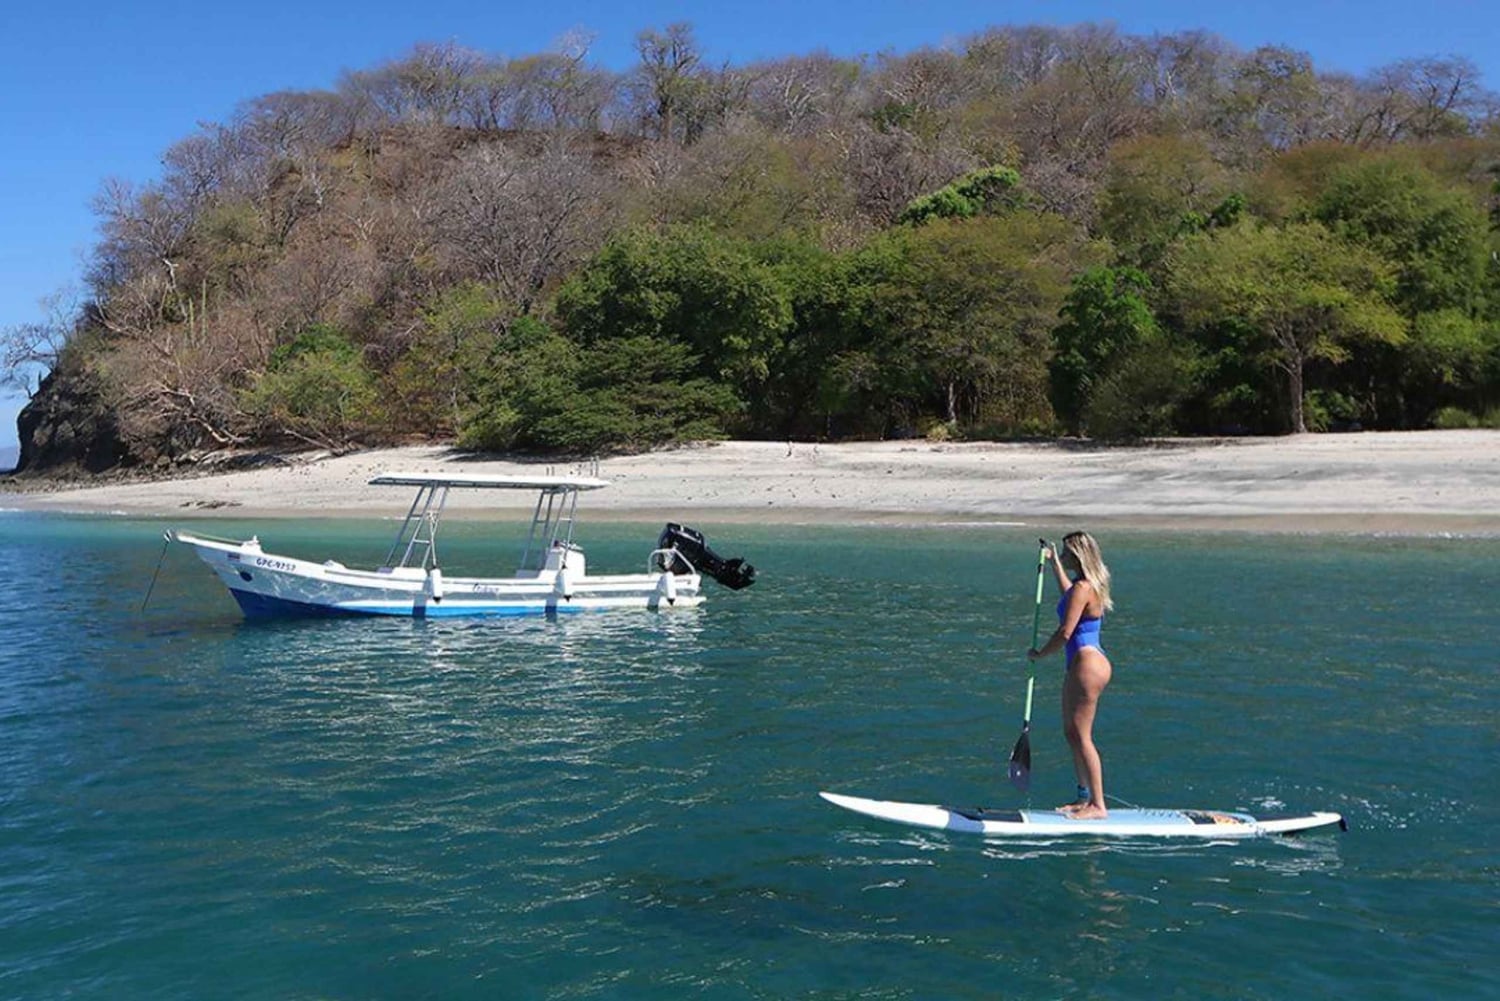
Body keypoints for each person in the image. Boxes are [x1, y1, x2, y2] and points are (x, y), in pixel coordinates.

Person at [1027, 531, 1114, 820]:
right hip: (1085, 664)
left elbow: (1066, 632)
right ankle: (1083, 798)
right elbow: (1068, 594)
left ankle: (1098, 806)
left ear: (1077, 554)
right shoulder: (1084, 587)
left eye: (1065, 552)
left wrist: (1039, 654)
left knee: (1082, 736)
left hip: (1087, 665)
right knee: (1072, 733)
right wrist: (1053, 564)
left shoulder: (1083, 588)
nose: (1063, 554)